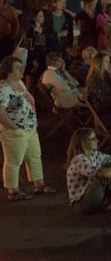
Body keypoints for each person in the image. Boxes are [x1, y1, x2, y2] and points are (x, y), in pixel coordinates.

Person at [0, 56, 56, 200]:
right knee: (14, 160)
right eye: (17, 68)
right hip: (15, 131)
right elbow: (0, 112)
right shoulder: (3, 89)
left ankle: (39, 184)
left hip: (30, 128)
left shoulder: (18, 83)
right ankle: (13, 191)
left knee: (34, 156)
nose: (22, 70)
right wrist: (14, 127)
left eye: (21, 67)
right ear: (8, 71)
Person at [66, 127, 111, 214]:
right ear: (84, 142)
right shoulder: (79, 160)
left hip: (90, 195)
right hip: (81, 204)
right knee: (103, 177)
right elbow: (100, 173)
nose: (97, 140)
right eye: (93, 139)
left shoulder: (94, 154)